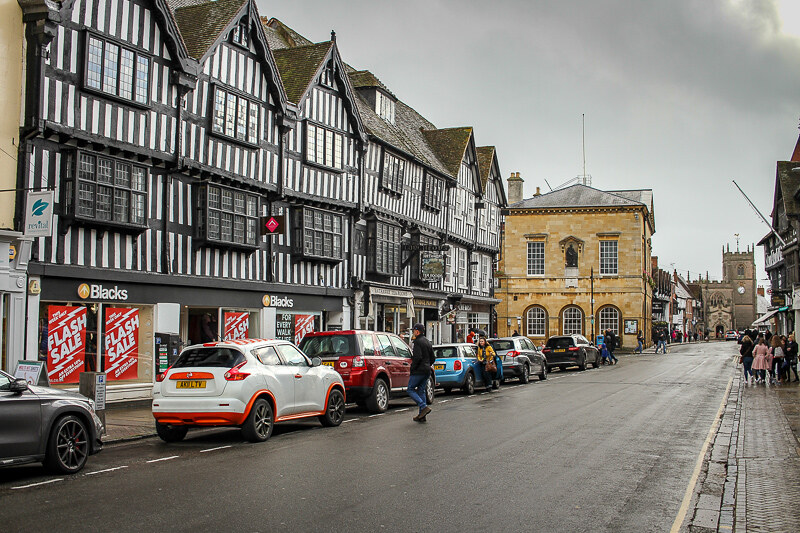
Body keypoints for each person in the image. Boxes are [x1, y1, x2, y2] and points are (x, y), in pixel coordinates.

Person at [409, 323, 433, 422]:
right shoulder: (427, 341)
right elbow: (433, 357)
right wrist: (428, 364)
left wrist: (413, 368)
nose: (413, 332)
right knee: (421, 390)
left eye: (414, 331)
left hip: (419, 370)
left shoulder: (417, 342)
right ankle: (421, 415)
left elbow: (417, 357)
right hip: (427, 370)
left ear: (417, 331)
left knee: (410, 389)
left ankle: (423, 407)